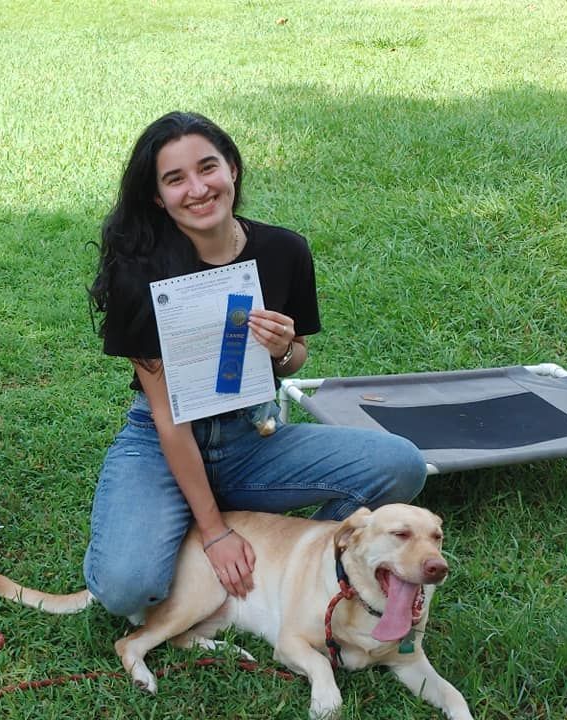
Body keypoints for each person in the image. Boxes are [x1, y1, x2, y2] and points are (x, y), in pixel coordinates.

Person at [84, 111, 426, 618]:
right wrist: (215, 531)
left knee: (402, 465)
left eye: (208, 168)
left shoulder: (283, 250)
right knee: (126, 588)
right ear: (157, 196)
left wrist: (283, 349)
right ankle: (198, 531)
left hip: (253, 436)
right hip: (164, 442)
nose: (197, 189)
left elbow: (295, 358)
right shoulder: (140, 272)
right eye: (175, 179)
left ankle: (307, 564)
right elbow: (169, 417)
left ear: (233, 170)